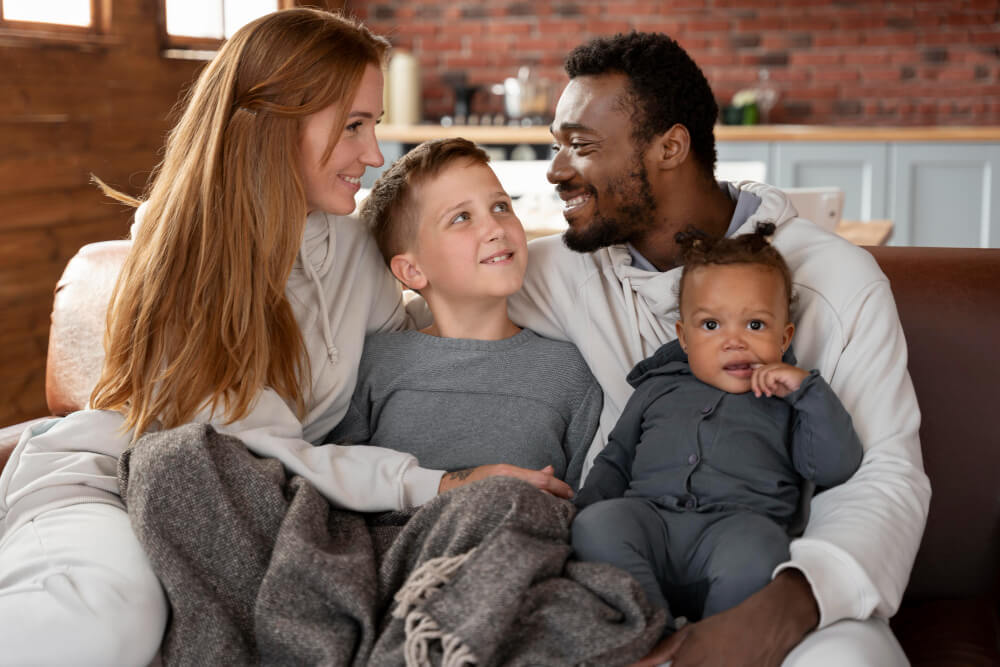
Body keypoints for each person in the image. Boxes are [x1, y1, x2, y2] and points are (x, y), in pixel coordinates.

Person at [0, 9, 568, 665]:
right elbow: (249, 452)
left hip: (267, 508)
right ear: (274, 121)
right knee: (109, 622)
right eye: (354, 125)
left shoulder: (357, 250)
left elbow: (409, 361)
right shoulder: (189, 252)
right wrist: (437, 484)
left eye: (374, 123)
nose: (374, 154)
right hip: (118, 483)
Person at [507, 32, 930, 666]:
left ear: (671, 146)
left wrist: (776, 614)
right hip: (629, 572)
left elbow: (885, 475)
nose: (557, 169)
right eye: (556, 144)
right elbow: (410, 285)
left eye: (582, 145)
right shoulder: (566, 269)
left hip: (788, 574)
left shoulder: (836, 281)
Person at [571, 223, 863, 635]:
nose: (734, 342)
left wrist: (808, 392)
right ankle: (653, 634)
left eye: (755, 326)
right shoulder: (657, 387)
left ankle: (714, 644)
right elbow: (616, 460)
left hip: (734, 531)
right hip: (651, 526)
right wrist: (581, 515)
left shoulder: (790, 398)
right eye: (711, 326)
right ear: (684, 338)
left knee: (762, 548)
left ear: (785, 337)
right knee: (598, 525)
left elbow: (835, 467)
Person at [329, 137, 602, 490]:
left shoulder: (570, 371)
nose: (495, 228)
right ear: (412, 271)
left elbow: (585, 498)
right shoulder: (374, 364)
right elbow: (342, 486)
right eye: (461, 217)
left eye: (501, 206)